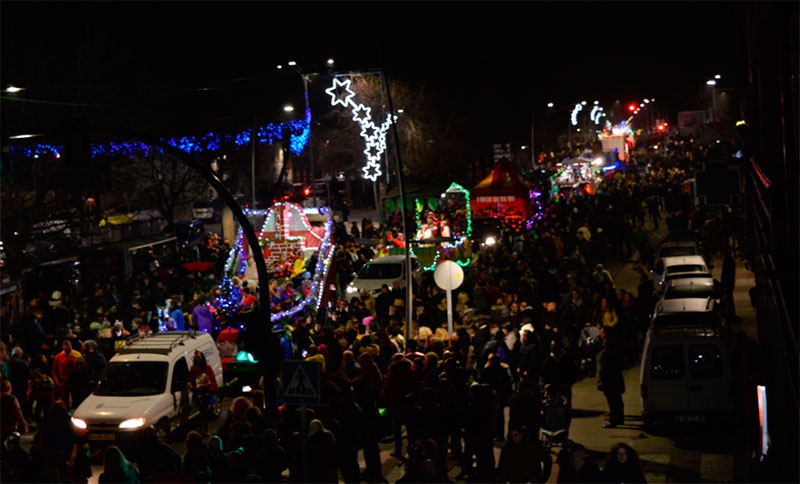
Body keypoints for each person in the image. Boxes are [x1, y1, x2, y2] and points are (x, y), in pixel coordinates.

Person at [597, 326, 625, 428]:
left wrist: (602, 378)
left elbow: (607, 364)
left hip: (610, 378)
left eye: (602, 333)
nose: (600, 335)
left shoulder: (610, 346)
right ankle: (619, 418)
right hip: (614, 377)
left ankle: (614, 420)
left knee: (613, 400)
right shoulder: (612, 345)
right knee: (616, 399)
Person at [188, 349, 218, 435]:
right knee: (202, 412)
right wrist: (191, 386)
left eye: (199, 357)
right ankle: (203, 429)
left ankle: (205, 429)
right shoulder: (193, 369)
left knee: (205, 412)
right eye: (196, 358)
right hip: (198, 393)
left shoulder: (208, 368)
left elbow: (212, 379)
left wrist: (206, 385)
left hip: (206, 392)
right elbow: (191, 380)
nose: (197, 359)